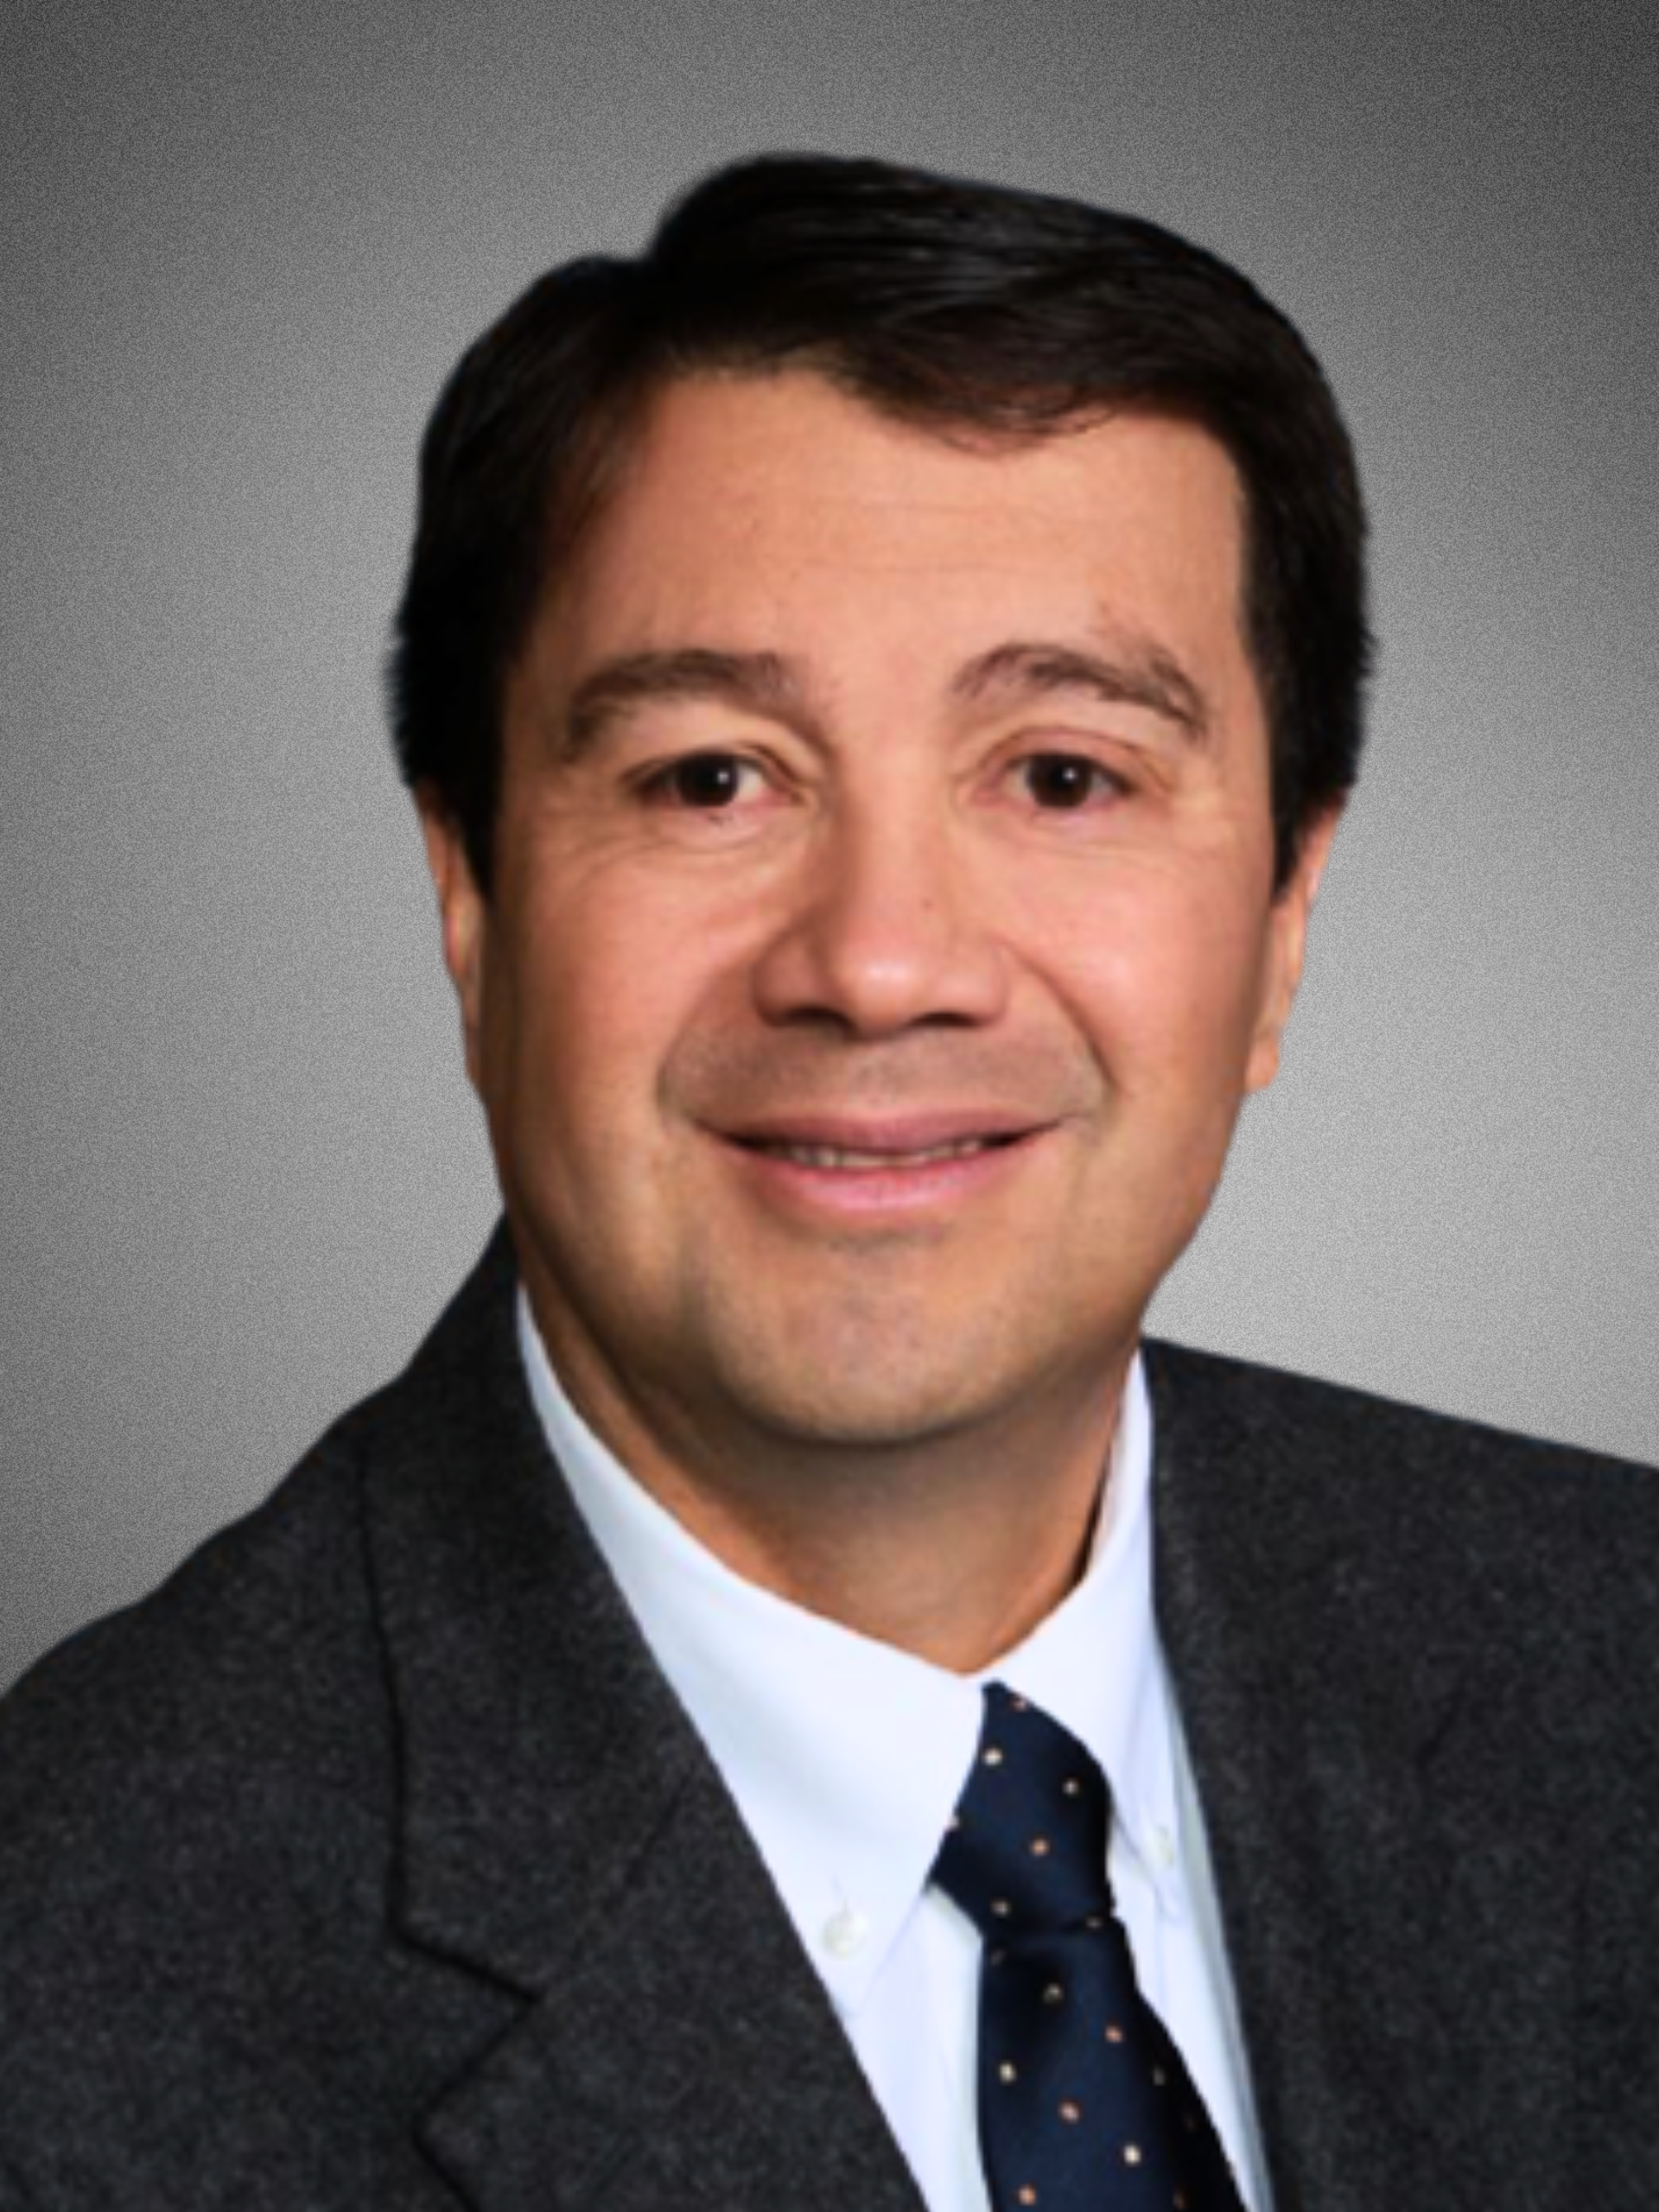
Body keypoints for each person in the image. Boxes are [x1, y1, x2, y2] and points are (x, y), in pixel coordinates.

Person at [1, 152, 1655, 2212]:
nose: (878, 962)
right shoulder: (64, 1983)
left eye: (1064, 774)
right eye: (712, 777)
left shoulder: (1613, 1654)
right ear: (472, 897)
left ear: (1286, 913)